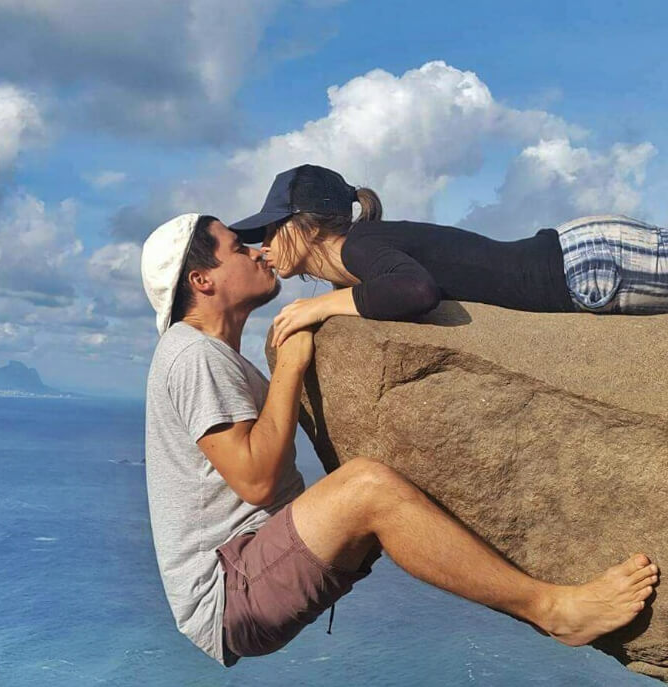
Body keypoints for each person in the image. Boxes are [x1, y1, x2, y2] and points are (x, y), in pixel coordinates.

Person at [140, 212, 658, 667]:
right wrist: (292, 366)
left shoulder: (213, 356)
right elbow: (255, 479)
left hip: (257, 567)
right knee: (366, 487)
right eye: (238, 247)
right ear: (201, 280)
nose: (257, 252)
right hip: (230, 591)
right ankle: (552, 611)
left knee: (389, 476)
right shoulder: (192, 355)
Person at [228, 165, 668, 347]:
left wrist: (321, 306)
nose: (263, 244)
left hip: (583, 265)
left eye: (271, 227)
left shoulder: (359, 246)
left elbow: (416, 291)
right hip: (578, 260)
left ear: (308, 224)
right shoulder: (360, 259)